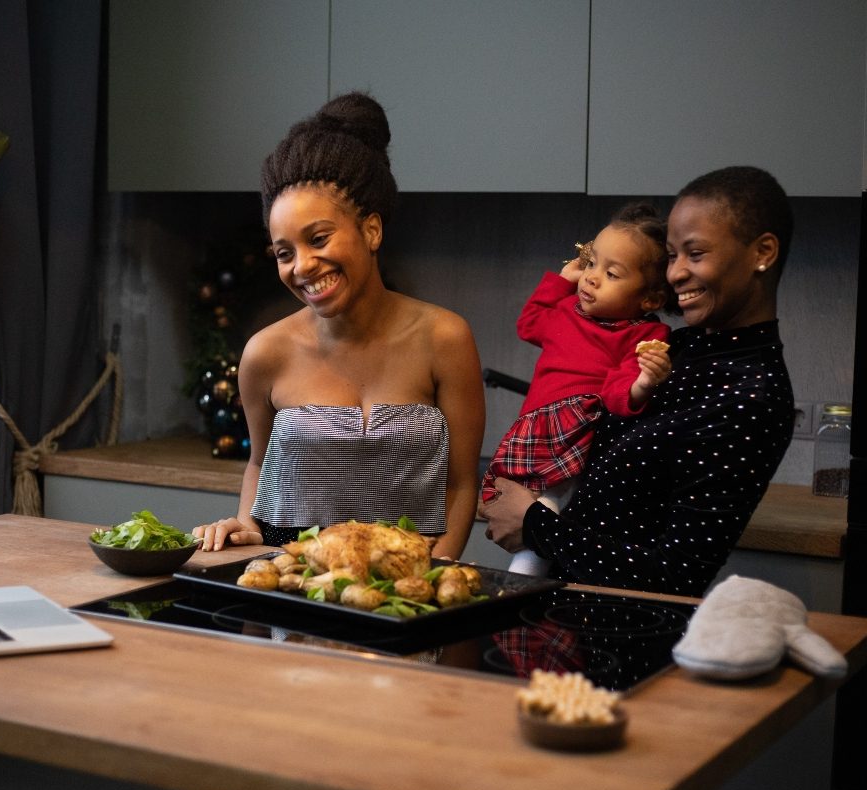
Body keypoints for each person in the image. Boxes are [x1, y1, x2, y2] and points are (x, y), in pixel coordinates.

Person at [479, 165, 795, 597]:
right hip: (565, 624)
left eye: (695, 254)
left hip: (624, 645)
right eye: (671, 255)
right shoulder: (675, 346)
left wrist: (534, 524)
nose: (675, 274)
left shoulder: (750, 395)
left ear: (763, 251)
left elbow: (674, 577)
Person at [193, 92, 485, 559]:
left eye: (319, 238)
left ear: (371, 230)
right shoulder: (265, 353)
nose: (302, 266)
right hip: (294, 580)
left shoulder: (444, 338)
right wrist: (244, 524)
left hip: (409, 585)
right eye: (284, 253)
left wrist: (433, 577)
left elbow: (461, 483)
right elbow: (258, 466)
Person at [480, 203, 675, 575]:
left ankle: (521, 582)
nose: (592, 277)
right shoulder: (568, 309)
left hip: (579, 437)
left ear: (650, 300)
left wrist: (644, 382)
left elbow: (619, 394)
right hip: (536, 431)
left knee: (549, 505)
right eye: (591, 263)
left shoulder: (646, 334)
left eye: (611, 273)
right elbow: (529, 324)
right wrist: (561, 279)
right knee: (515, 497)